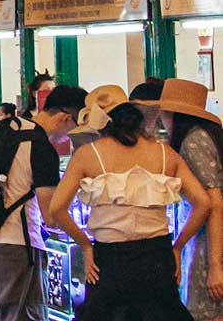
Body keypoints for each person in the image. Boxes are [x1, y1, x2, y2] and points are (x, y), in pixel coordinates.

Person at [48, 100, 211, 320]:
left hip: (108, 259)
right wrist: (178, 247)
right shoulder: (164, 153)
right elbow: (203, 203)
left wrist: (85, 246)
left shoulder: (88, 154)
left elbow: (57, 208)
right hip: (157, 256)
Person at [0, 83, 87, 321]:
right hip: (16, 248)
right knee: (22, 314)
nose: (71, 134)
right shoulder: (41, 147)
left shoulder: (6, 128)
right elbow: (52, 215)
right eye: (76, 125)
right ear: (65, 117)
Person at [155, 78, 223, 319]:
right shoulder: (207, 136)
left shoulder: (193, 141)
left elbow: (213, 203)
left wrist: (214, 265)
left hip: (208, 243)